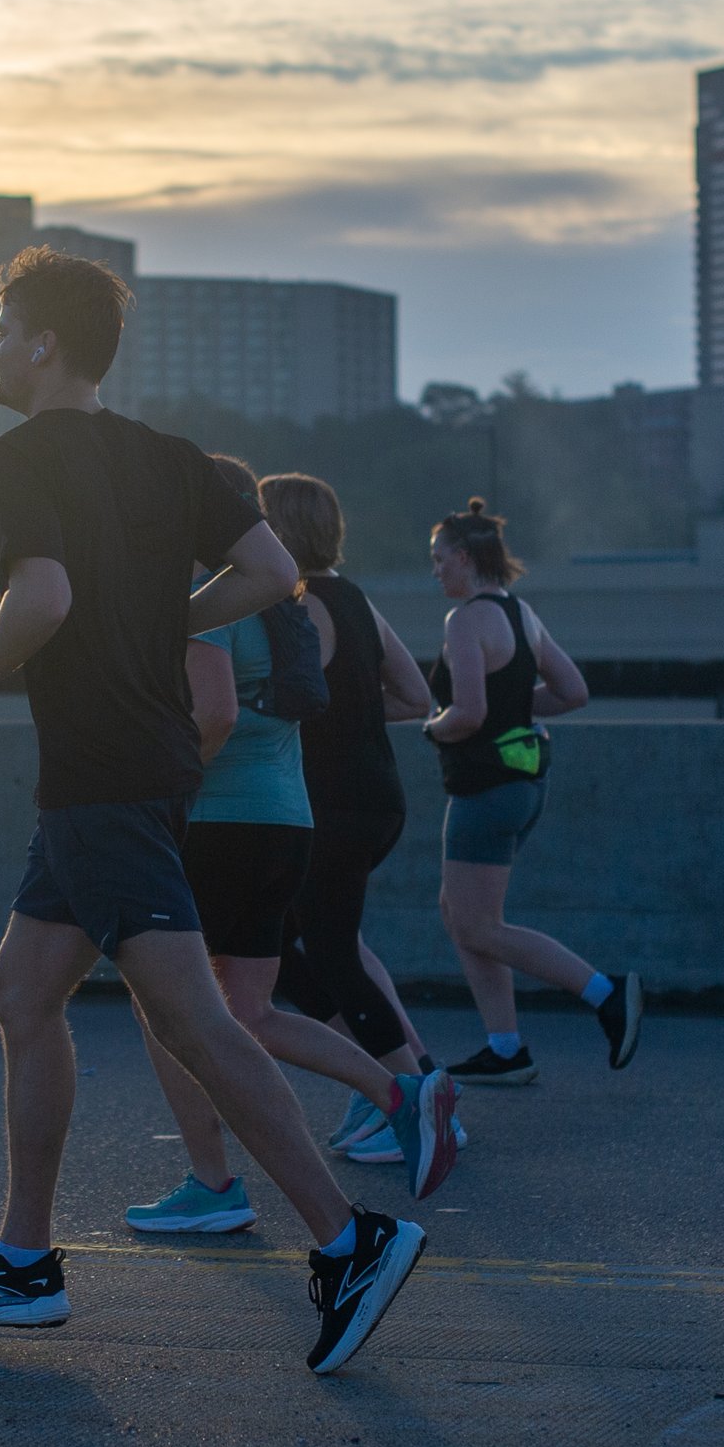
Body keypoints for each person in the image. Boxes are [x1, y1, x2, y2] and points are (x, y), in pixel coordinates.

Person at [0, 246, 424, 1376]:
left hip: (102, 772)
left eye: (0, 325)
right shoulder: (173, 460)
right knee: (23, 989)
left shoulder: (16, 458)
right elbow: (274, 573)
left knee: (196, 1022)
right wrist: (159, 621)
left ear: (43, 343)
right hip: (134, 769)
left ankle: (349, 1236)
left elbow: (39, 594)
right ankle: (25, 1258)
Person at [123, 457, 458, 1234]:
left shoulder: (212, 602)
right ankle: (401, 1090)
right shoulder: (288, 598)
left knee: (161, 1004)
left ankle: (212, 1185)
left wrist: (165, 790)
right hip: (286, 819)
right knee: (251, 1012)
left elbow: (214, 715)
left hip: (219, 822)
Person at [254, 472, 456, 1162]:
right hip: (372, 798)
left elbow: (275, 701)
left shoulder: (297, 604)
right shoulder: (356, 600)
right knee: (285, 945)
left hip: (331, 807)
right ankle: (400, 1078)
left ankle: (410, 1096)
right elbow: (414, 696)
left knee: (329, 948)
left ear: (276, 529)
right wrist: (352, 712)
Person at [423, 499, 640, 1086]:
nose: (436, 571)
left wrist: (431, 724)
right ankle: (505, 1046)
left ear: (466, 559)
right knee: (460, 913)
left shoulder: (465, 621)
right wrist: (512, 705)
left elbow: (465, 714)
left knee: (478, 926)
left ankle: (605, 993)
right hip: (522, 784)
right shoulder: (522, 614)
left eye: (441, 560)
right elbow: (572, 692)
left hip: (483, 786)